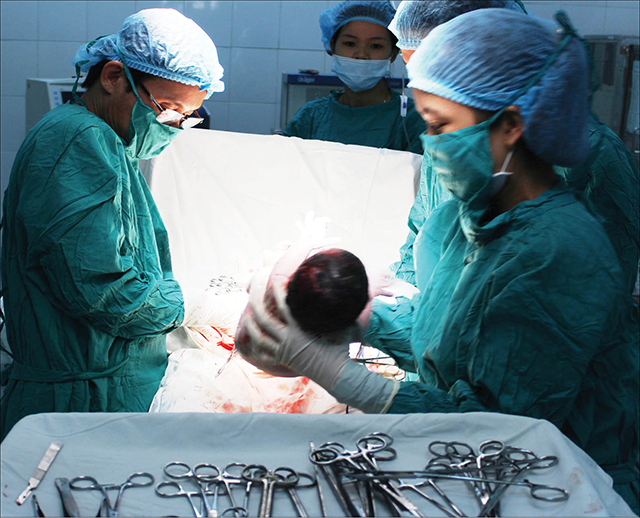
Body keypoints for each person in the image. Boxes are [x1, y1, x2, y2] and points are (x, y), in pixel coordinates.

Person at [242, 9, 639, 512]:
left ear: (510, 125)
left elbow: (496, 430)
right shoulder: (466, 217)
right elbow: (447, 336)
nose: (430, 144)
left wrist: (339, 374)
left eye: (440, 125)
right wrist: (350, 315)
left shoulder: (559, 250)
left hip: (560, 485)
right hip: (471, 473)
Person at [0, 8, 235, 440]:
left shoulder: (110, 144)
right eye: (168, 109)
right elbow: (104, 293)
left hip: (103, 392)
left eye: (187, 116)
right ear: (113, 76)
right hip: (77, 407)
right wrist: (196, 306)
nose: (174, 126)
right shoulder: (76, 140)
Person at [389, 0, 640, 296]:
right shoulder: (452, 134)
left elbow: (596, 300)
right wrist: (398, 296)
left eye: (439, 76)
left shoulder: (594, 158)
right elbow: (421, 232)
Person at [282, 0, 426, 154]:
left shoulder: (414, 120)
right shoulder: (311, 117)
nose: (361, 55)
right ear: (333, 46)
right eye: (350, 43)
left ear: (393, 53)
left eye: (376, 46)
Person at [236, 239, 370, 377]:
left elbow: (277, 274)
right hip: (288, 370)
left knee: (269, 268)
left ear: (292, 280)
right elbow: (364, 320)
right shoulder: (347, 333)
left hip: (248, 347)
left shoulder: (273, 288)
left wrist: (308, 240)